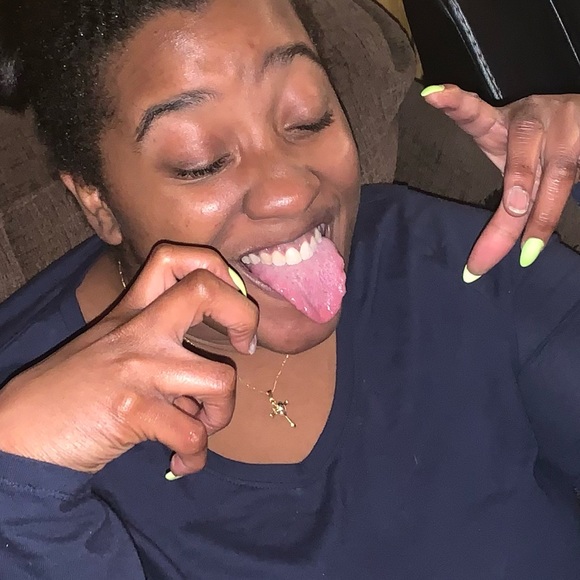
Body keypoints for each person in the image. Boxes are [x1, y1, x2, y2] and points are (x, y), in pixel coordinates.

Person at [1, 0, 580, 578]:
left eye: (306, 118)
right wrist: (18, 482)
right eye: (201, 161)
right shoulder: (30, 432)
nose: (290, 190)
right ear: (97, 203)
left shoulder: (449, 256)